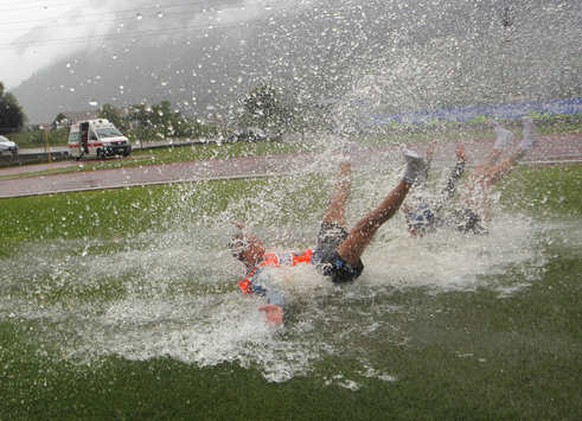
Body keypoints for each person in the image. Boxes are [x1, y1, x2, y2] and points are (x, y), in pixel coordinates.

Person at [229, 149, 427, 326]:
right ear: (246, 254)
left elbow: (256, 250)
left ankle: (345, 158)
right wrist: (277, 306)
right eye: (251, 242)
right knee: (367, 225)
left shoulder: (263, 257)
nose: (257, 240)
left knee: (335, 205)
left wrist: (245, 231)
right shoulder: (258, 275)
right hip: (331, 270)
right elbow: (272, 290)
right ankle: (411, 175)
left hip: (324, 250)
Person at [404, 117, 538, 236]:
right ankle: (526, 145)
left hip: (467, 221)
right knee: (485, 180)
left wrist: (430, 159)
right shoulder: (421, 219)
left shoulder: (418, 217)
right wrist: (460, 164)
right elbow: (447, 192)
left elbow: (431, 187)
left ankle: (504, 140)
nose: (405, 204)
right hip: (476, 227)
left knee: (477, 176)